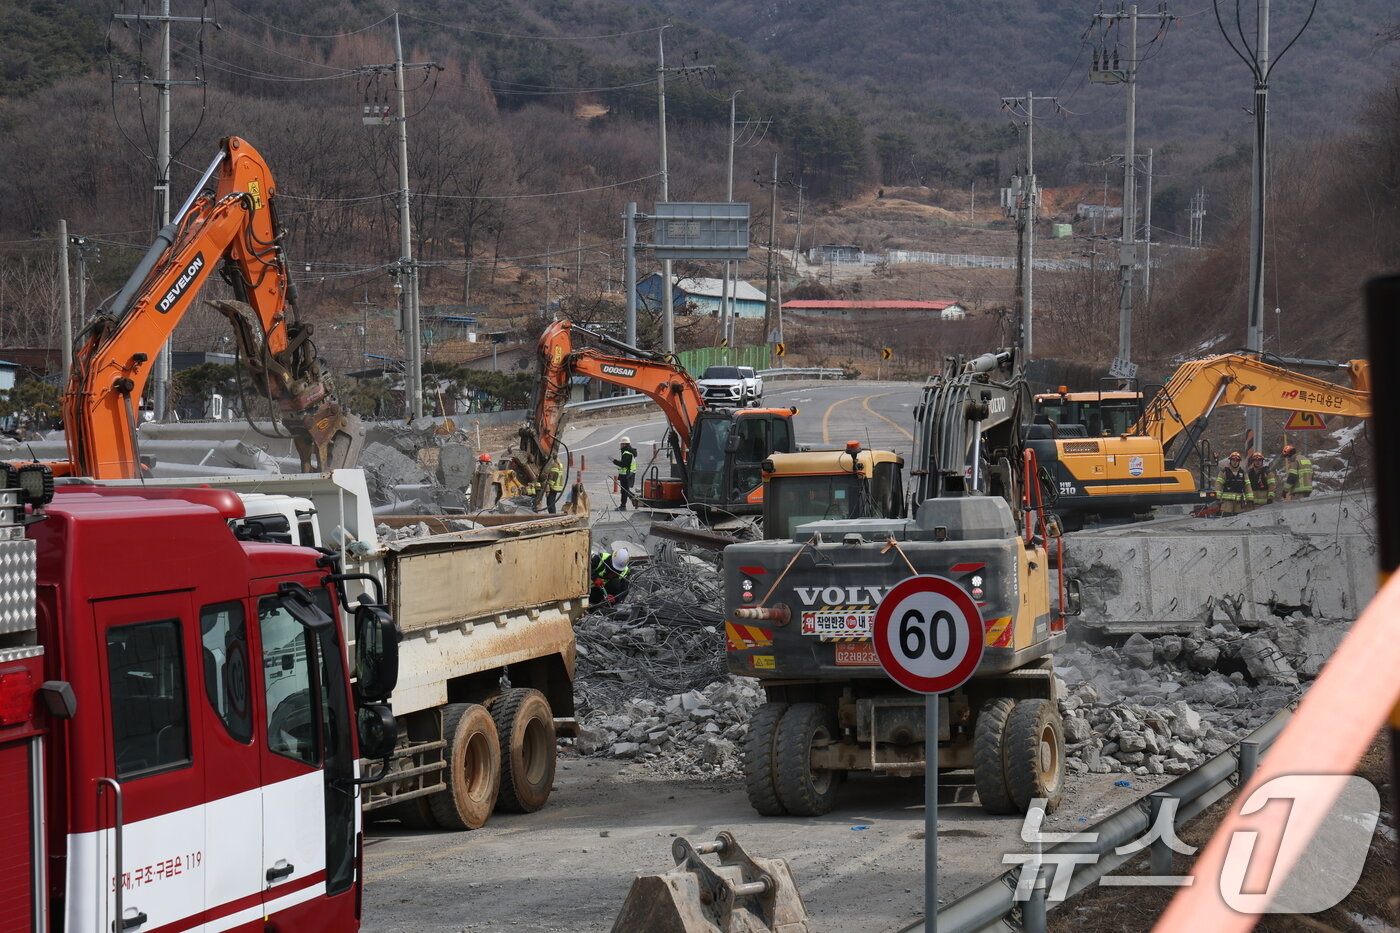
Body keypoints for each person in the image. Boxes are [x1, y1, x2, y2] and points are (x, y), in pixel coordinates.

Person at [1214, 451, 1247, 516]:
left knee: (1240, 520)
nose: (1235, 462)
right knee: (1226, 519)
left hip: (1239, 503)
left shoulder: (1243, 473)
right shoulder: (1224, 472)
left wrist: (1249, 499)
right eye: (1233, 460)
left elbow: (1247, 486)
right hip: (1227, 503)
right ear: (1230, 461)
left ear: (1239, 461)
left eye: (1237, 460)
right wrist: (1217, 497)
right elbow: (1218, 485)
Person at [613, 437, 638, 510]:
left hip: (626, 475)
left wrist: (615, 462)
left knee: (624, 491)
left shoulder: (626, 453)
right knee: (625, 490)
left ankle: (624, 505)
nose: (620, 445)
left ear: (624, 444)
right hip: (628, 474)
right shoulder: (629, 451)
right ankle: (633, 499)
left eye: (621, 444)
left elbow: (624, 464)